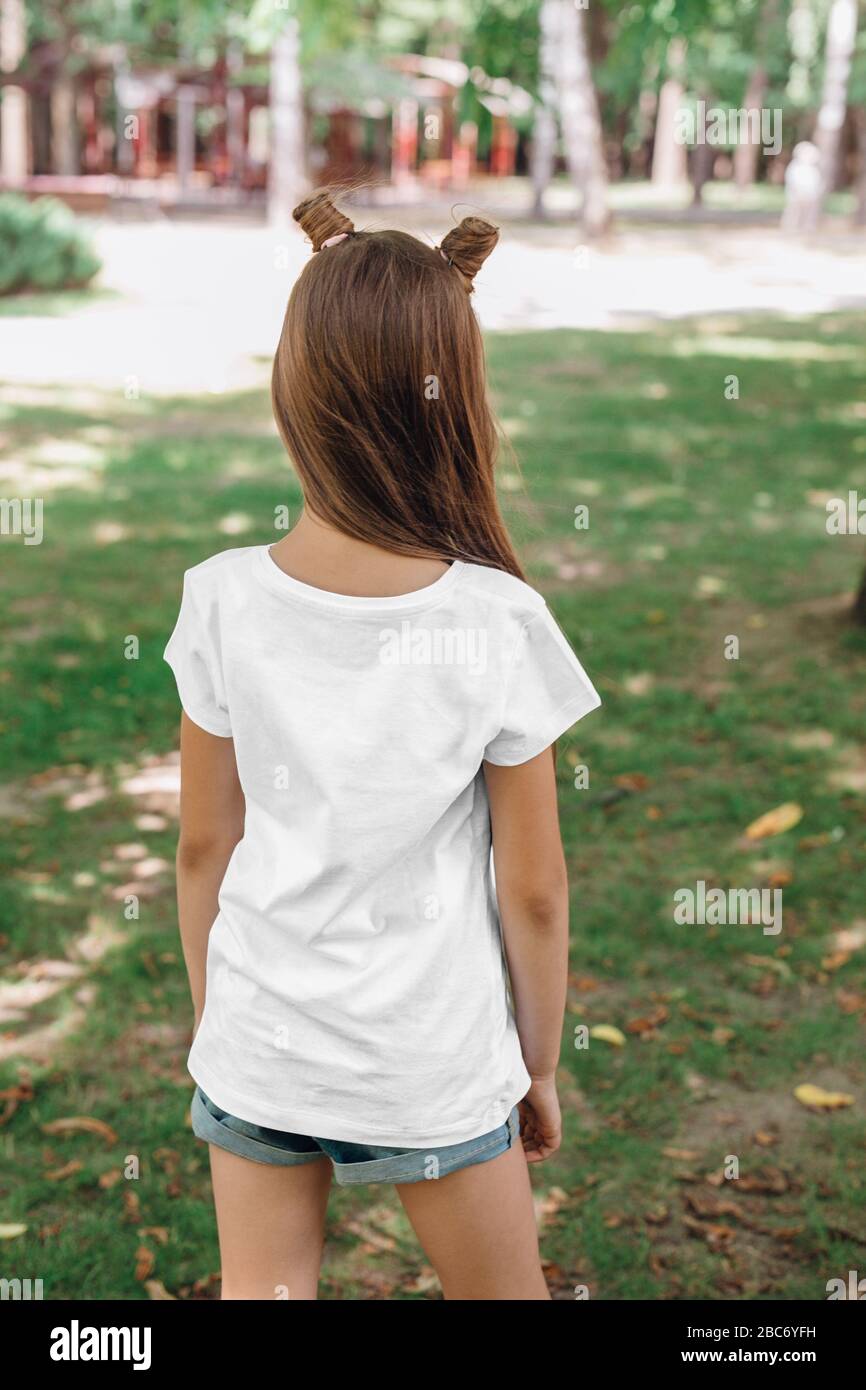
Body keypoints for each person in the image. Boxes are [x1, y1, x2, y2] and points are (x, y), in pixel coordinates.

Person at [164, 189, 601, 1301]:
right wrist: (537, 1065)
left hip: (261, 1044)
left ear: (293, 388)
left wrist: (229, 1027)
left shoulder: (220, 601)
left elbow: (202, 850)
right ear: (455, 398)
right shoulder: (498, 621)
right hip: (431, 1062)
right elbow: (536, 890)